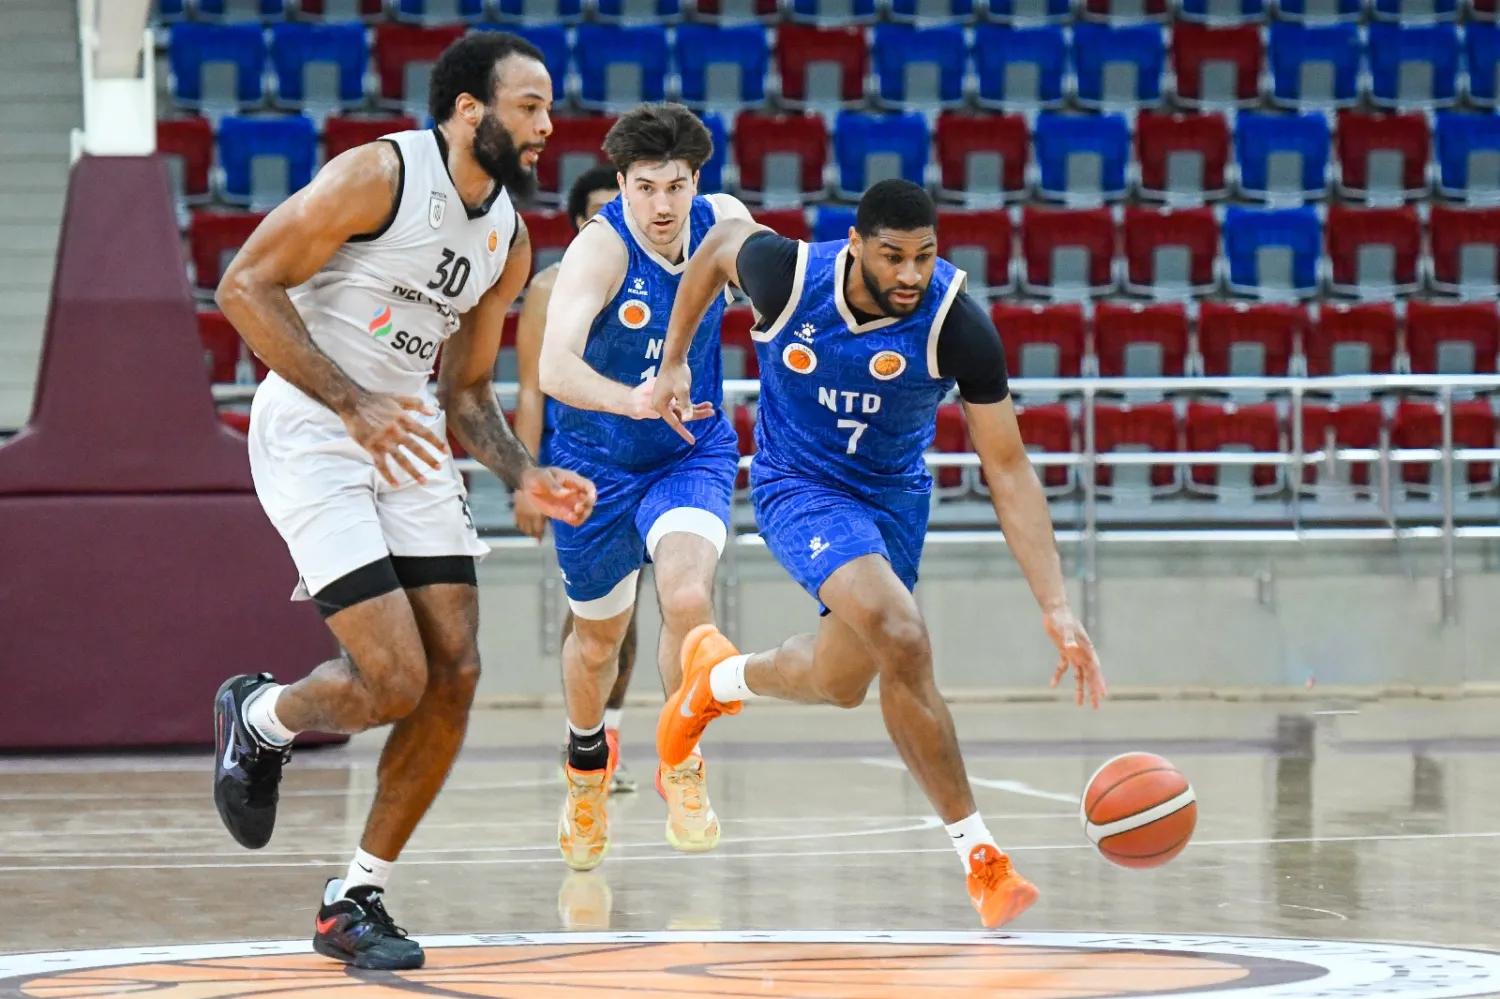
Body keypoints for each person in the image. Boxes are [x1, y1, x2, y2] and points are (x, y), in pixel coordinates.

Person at [209, 32, 595, 971]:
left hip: (409, 428)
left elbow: (466, 390)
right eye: (530, 107)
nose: (547, 126)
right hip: (314, 424)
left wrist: (523, 472)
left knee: (455, 669)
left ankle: (354, 896)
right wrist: (353, 401)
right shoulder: (379, 175)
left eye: (548, 108)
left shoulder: (508, 238)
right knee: (392, 681)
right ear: (469, 111)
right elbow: (243, 286)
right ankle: (261, 717)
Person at [650, 178, 1107, 929]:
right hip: (800, 485)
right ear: (856, 245)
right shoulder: (788, 275)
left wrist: (1056, 606)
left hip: (893, 501)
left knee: (840, 681)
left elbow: (1007, 466)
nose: (910, 274)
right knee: (902, 633)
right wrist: (674, 359)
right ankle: (983, 859)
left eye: (924, 256)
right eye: (893, 256)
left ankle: (715, 679)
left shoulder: (955, 323)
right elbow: (716, 248)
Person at [538, 102, 756, 871]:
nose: (662, 205)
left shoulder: (726, 223)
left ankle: (683, 764)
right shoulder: (599, 250)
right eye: (645, 187)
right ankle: (585, 767)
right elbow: (552, 368)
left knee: (687, 596)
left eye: (675, 186)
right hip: (594, 462)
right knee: (598, 640)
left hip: (688, 449)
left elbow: (790, 293)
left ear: (697, 182)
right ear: (622, 185)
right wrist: (631, 398)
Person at [513, 165, 641, 795]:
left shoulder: (654, 279)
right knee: (593, 608)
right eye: (597, 211)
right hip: (578, 463)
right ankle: (582, 740)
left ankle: (606, 740)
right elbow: (530, 390)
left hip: (643, 458)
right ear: (575, 223)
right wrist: (526, 477)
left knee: (631, 613)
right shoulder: (549, 287)